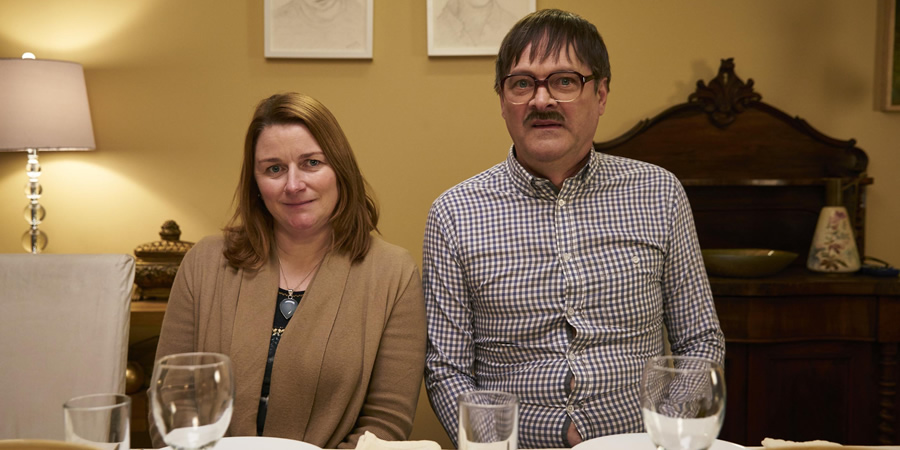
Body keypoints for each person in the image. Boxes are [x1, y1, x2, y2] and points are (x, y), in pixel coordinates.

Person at [422, 9, 725, 449]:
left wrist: (665, 435)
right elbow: (446, 368)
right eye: (522, 83)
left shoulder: (659, 193)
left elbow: (699, 339)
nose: (541, 101)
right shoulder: (454, 213)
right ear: (503, 100)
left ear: (601, 94)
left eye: (564, 81)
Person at [151, 92, 426, 449]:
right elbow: (172, 401)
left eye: (311, 163)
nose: (293, 185)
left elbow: (384, 424)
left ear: (340, 169)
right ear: (256, 183)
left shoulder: (393, 274)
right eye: (274, 168)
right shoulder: (204, 262)